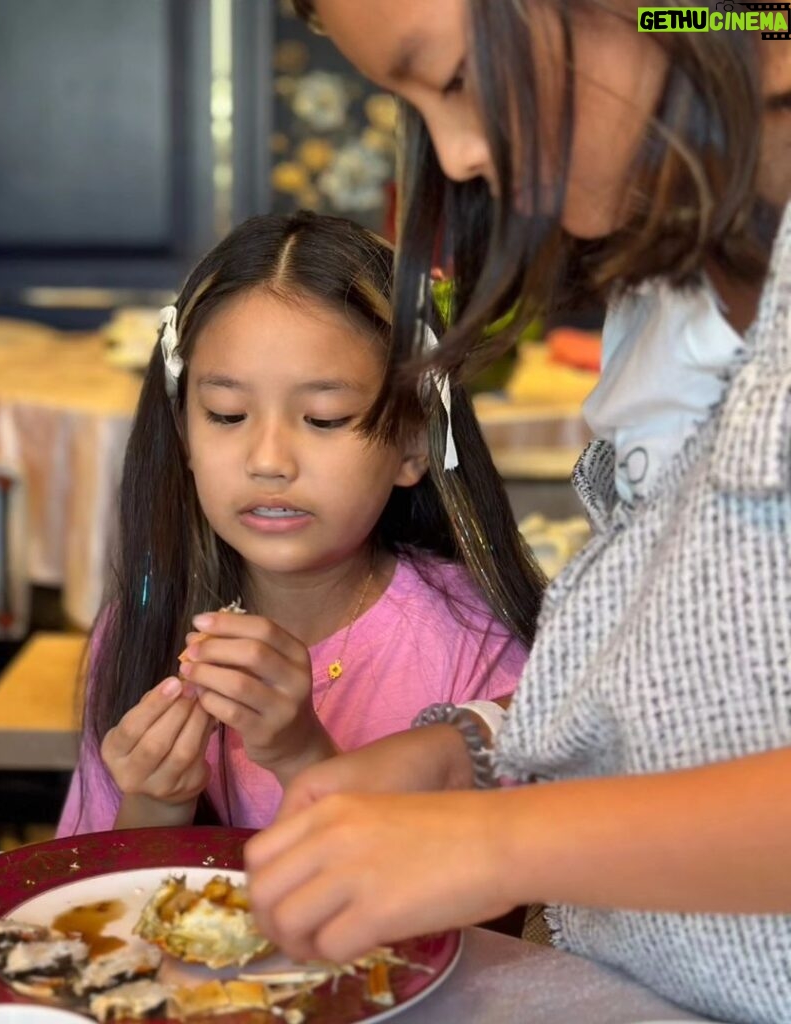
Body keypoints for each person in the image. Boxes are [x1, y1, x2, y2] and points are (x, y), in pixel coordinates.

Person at [245, 4, 791, 1024]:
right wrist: (468, 756)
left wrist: (496, 843)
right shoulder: (671, 266)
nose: (455, 154)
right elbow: (692, 675)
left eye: (452, 82)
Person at [56, 211, 543, 835]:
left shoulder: (477, 640)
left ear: (413, 444)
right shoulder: (140, 630)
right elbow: (91, 903)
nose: (268, 462)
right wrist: (155, 803)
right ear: (182, 432)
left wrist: (300, 755)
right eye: (228, 415)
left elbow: (470, 909)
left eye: (325, 418)